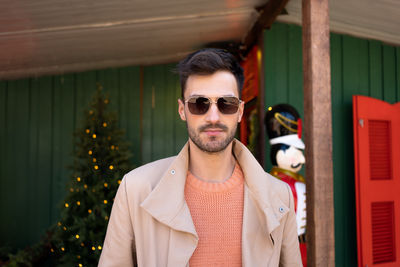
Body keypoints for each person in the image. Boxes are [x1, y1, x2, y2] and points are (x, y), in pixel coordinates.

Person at [98, 48, 302, 267]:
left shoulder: (280, 197)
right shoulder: (136, 190)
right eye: (199, 104)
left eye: (226, 103)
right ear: (182, 110)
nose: (213, 117)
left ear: (240, 111)